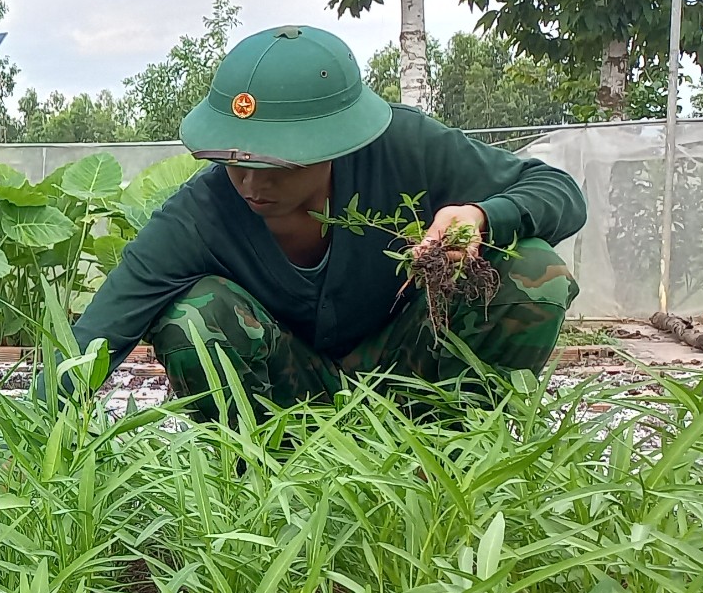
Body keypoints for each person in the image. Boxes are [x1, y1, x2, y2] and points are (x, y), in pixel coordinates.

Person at [57, 24, 585, 418]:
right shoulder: (200, 214)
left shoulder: (405, 150)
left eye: (278, 165)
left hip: (411, 375)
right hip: (287, 403)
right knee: (192, 318)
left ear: (337, 142)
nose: (252, 184)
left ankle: (455, 458)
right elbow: (95, 338)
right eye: (235, 162)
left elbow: (558, 192)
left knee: (533, 270)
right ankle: (254, 484)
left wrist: (482, 216)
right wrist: (26, 450)